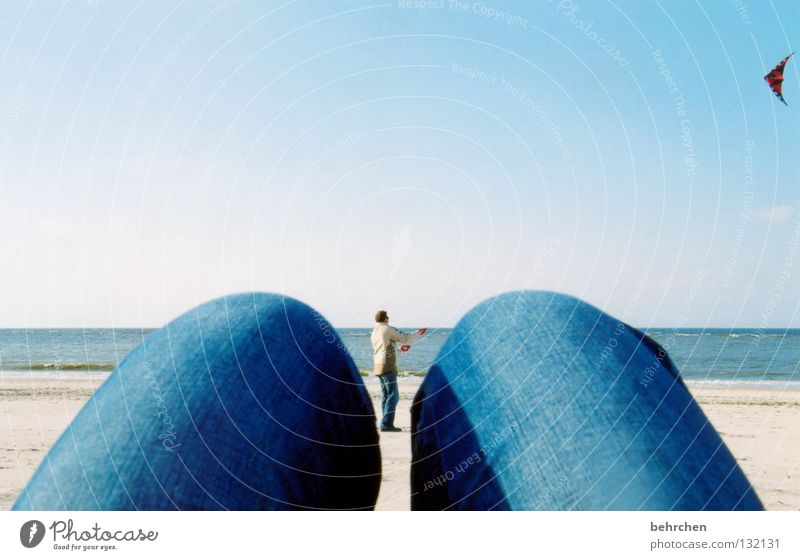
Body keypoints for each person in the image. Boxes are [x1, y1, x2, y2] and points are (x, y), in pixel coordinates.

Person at [13, 291, 762, 511]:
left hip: (362, 375)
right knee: (522, 323)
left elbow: (389, 346)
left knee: (267, 329)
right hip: (392, 374)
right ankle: (395, 424)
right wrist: (415, 344)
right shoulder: (386, 336)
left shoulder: (370, 335)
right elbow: (399, 348)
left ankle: (383, 427)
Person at [370, 310, 426, 432]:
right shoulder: (387, 329)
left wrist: (399, 350)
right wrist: (418, 333)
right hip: (388, 366)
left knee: (386, 396)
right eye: (388, 317)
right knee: (393, 396)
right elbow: (405, 338)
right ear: (385, 319)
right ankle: (386, 425)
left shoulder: (374, 332)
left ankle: (385, 423)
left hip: (378, 366)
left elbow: (383, 349)